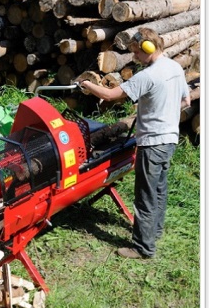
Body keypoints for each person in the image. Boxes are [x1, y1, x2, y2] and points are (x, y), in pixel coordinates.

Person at [80, 27, 191, 259]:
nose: (135, 58)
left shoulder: (147, 76)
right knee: (159, 189)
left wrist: (88, 85)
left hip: (152, 143)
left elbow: (110, 96)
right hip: (169, 139)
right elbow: (185, 100)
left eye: (136, 53)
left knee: (145, 195)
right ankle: (154, 231)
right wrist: (161, 108)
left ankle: (143, 247)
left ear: (147, 48)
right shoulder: (175, 67)